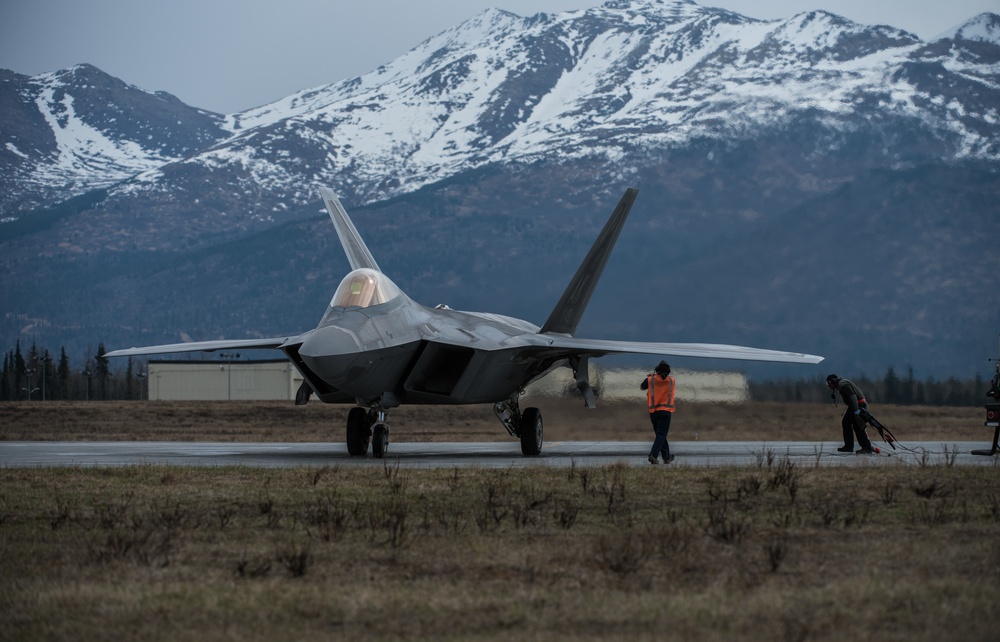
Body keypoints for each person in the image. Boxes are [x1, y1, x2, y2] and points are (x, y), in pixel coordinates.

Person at [826, 374, 876, 454]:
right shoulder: (842, 383)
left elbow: (852, 397)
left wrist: (856, 410)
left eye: (828, 383)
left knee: (858, 426)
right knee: (846, 422)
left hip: (857, 405)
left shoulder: (843, 385)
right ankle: (848, 446)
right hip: (855, 405)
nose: (828, 385)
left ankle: (866, 447)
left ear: (832, 381)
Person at [641, 360, 676, 464]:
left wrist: (651, 376)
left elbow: (642, 387)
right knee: (661, 434)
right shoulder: (672, 380)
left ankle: (666, 456)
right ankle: (653, 455)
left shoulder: (651, 379)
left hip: (653, 412)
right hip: (666, 411)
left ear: (657, 370)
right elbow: (664, 378)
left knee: (660, 435)